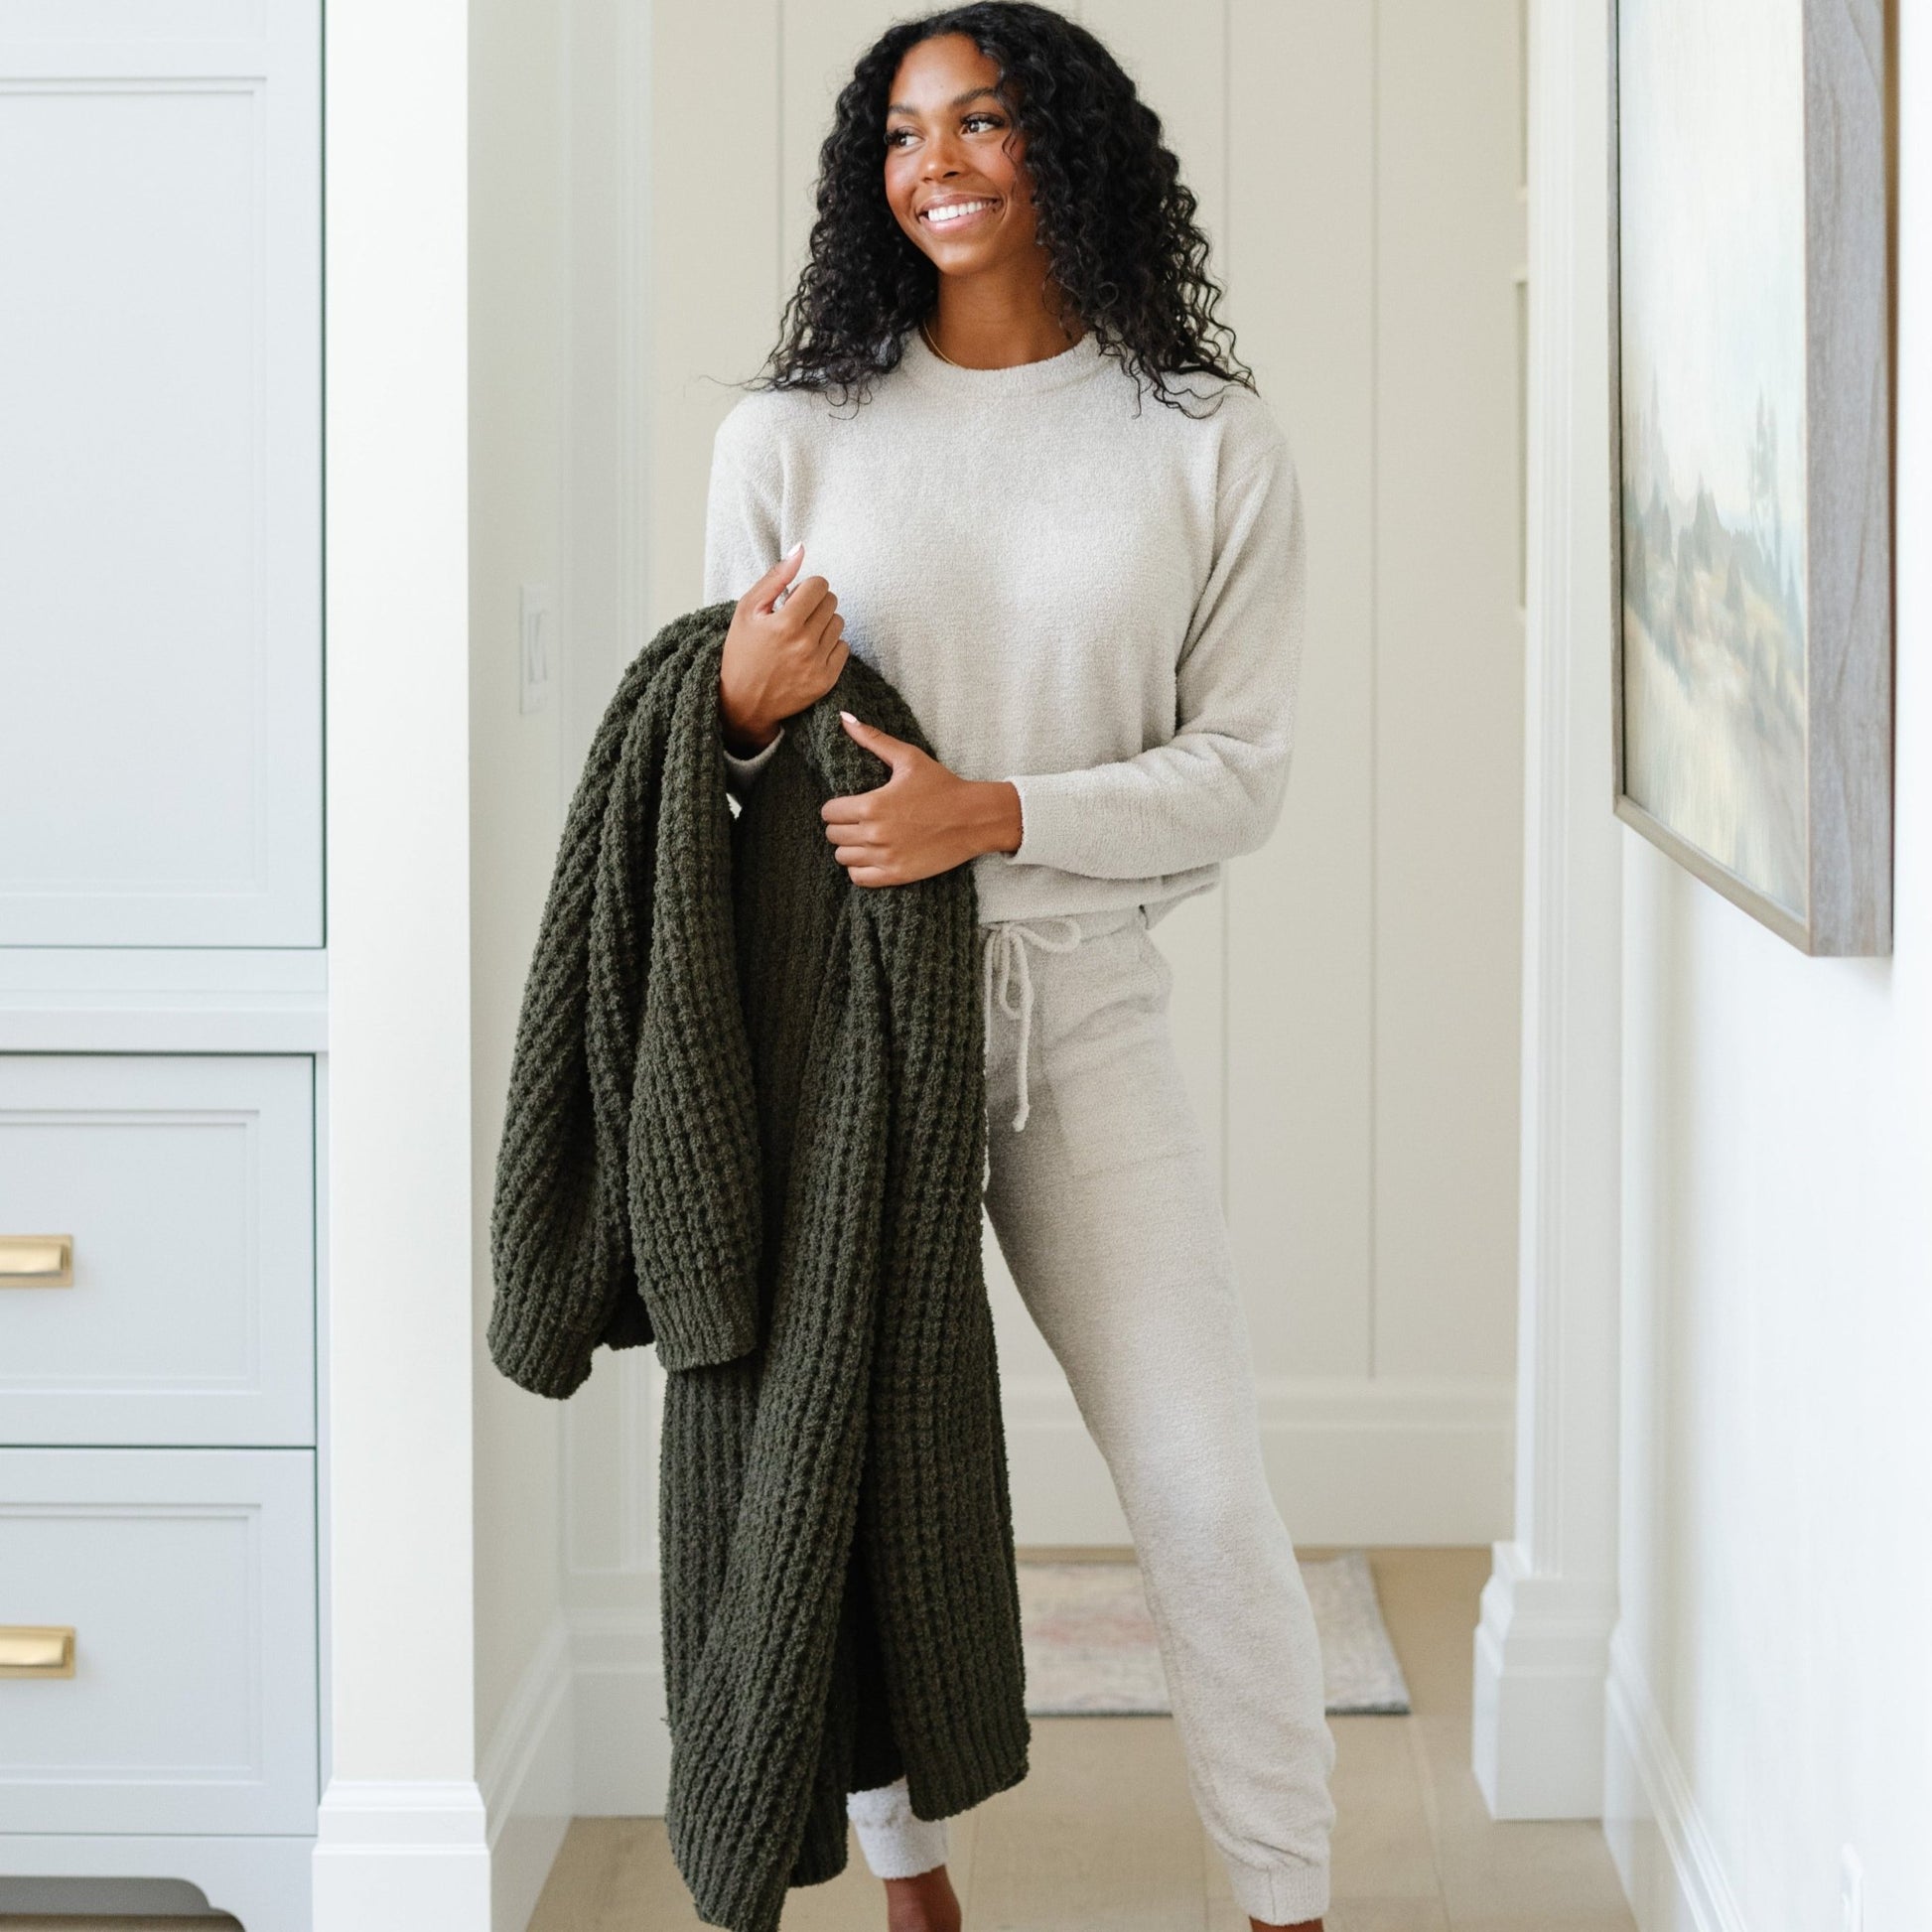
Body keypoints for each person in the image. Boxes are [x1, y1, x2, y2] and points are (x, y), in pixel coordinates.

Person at [700, 6, 1335, 1928]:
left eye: (983, 119)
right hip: (840, 1023)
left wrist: (991, 814)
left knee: (1203, 1489)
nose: (940, 163)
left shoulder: (1207, 445)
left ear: (1069, 143)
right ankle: (913, 1888)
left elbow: (1239, 777)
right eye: (904, 134)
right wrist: (737, 702)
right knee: (850, 1477)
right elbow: (710, 773)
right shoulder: (789, 435)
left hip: (1081, 1006)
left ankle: (1290, 1901)